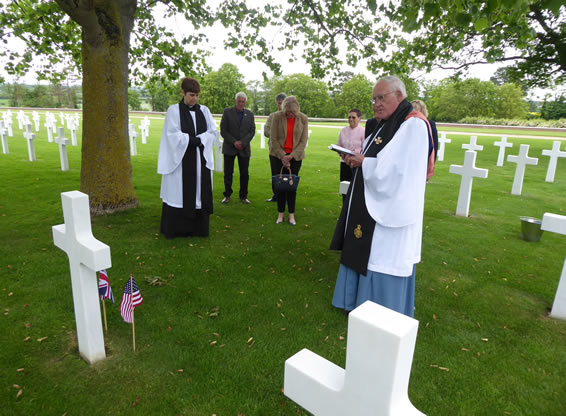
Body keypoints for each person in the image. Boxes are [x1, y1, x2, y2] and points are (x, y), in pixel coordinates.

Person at [330, 76, 431, 317]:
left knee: (382, 257)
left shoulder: (413, 125)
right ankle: (356, 303)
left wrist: (364, 162)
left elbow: (398, 171)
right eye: (374, 99)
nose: (376, 104)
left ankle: (380, 310)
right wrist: (356, 158)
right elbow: (377, 157)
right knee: (369, 250)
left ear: (399, 95)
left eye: (381, 97)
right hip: (370, 204)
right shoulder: (386, 124)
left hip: (391, 212)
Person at [157, 77, 217, 238]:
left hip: (200, 160)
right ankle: (177, 229)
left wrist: (201, 140)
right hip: (181, 161)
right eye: (191, 95)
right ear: (183, 92)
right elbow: (172, 135)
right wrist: (194, 140)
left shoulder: (204, 111)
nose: (194, 98)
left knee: (199, 191)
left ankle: (199, 229)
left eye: (197, 95)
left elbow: (213, 131)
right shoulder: (173, 111)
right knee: (180, 192)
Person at [269, 96, 308, 226]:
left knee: (291, 186)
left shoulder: (303, 118)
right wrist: (283, 157)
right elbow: (273, 140)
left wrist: (290, 157)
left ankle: (291, 215)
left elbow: (303, 141)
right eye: (287, 112)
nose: (289, 114)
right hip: (277, 156)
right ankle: (280, 214)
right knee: (280, 186)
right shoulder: (277, 117)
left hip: (295, 157)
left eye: (292, 112)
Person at [220, 92, 256, 204]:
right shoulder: (227, 112)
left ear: (245, 102)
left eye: (243, 101)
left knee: (244, 174)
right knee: (228, 173)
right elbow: (223, 130)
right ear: (235, 101)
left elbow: (252, 131)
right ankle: (227, 195)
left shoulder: (250, 114)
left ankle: (243, 196)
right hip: (230, 147)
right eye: (239, 101)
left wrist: (242, 142)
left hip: (244, 149)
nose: (241, 103)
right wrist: (234, 142)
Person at [264, 93, 286, 202]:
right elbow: (266, 131)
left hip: (286, 151)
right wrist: (276, 134)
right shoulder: (272, 116)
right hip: (273, 150)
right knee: (275, 174)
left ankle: (285, 197)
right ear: (277, 104)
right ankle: (275, 195)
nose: (281, 106)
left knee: (285, 174)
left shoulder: (290, 116)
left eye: (283, 103)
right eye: (279, 103)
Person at [336, 109, 365, 183]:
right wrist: (340, 152)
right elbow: (339, 145)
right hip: (344, 162)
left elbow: (364, 148)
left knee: (355, 185)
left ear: (360, 118)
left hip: (356, 163)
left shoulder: (363, 131)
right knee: (344, 186)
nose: (351, 119)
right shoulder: (343, 130)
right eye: (349, 117)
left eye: (353, 117)